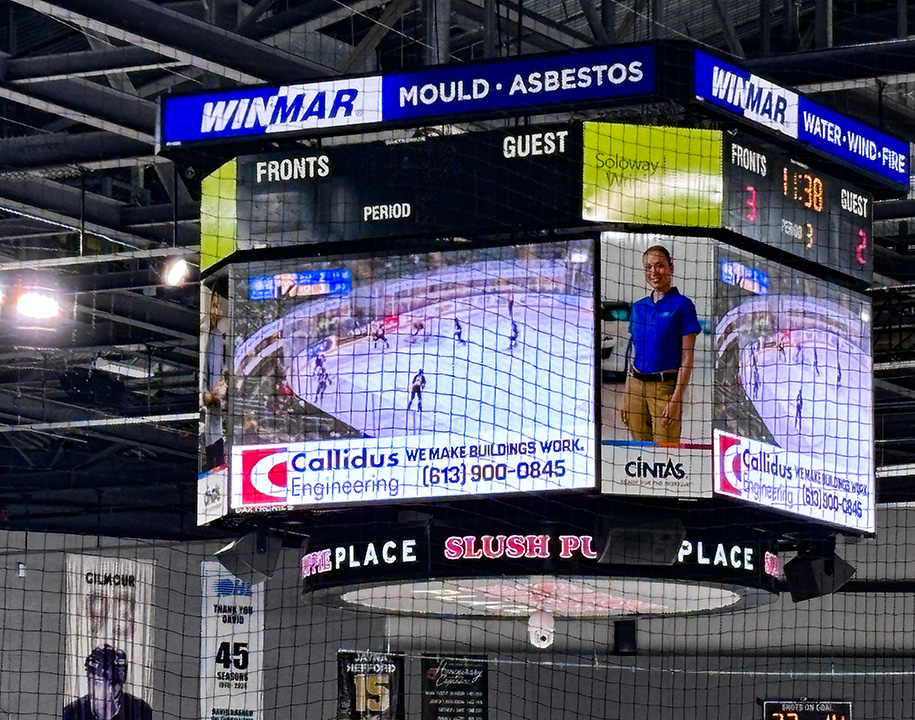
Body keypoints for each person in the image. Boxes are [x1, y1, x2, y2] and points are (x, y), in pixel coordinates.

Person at [620, 245, 700, 445]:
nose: (654, 272)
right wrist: (626, 394)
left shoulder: (683, 306)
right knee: (640, 450)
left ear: (671, 268)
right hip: (635, 388)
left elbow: (687, 357)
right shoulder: (638, 307)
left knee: (665, 452)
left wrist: (676, 399)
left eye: (660, 266)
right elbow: (634, 353)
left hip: (665, 388)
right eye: (648, 268)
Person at [63, 645, 152, 720]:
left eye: (114, 684)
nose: (92, 689)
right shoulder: (72, 712)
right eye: (93, 682)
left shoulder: (141, 710)